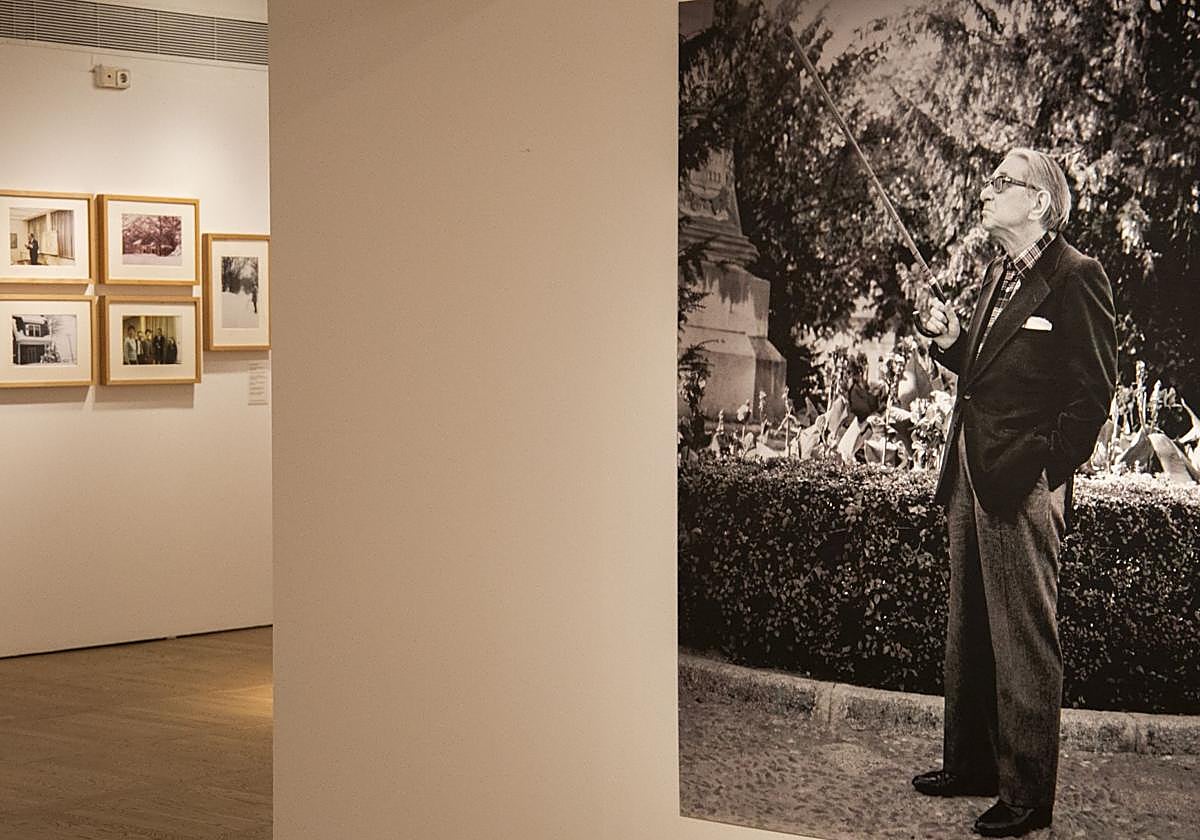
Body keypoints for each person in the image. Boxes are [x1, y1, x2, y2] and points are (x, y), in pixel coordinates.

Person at [913, 148, 1117, 838]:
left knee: (1025, 638)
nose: (985, 190)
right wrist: (947, 340)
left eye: (1001, 182)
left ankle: (1027, 796)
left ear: (1038, 201)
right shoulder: (998, 270)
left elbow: (1092, 396)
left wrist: (1045, 469)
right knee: (969, 625)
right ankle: (971, 764)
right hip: (969, 471)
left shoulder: (1075, 277)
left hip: (1022, 480)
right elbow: (978, 368)